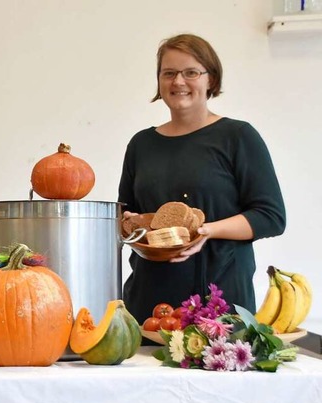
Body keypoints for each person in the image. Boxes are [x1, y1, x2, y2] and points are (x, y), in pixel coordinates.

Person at [118, 34, 286, 324]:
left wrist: (207, 230)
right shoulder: (141, 144)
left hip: (219, 302)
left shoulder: (238, 137)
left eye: (191, 72)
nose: (178, 82)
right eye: (168, 73)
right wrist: (128, 222)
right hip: (149, 304)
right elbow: (125, 214)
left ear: (211, 79)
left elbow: (270, 216)